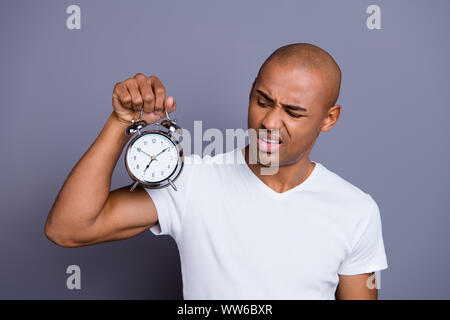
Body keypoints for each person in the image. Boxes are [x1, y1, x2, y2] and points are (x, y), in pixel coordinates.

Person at [45, 43, 388, 300]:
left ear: (329, 118)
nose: (269, 122)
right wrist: (120, 122)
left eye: (293, 113)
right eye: (262, 101)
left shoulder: (356, 210)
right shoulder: (192, 181)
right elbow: (69, 228)